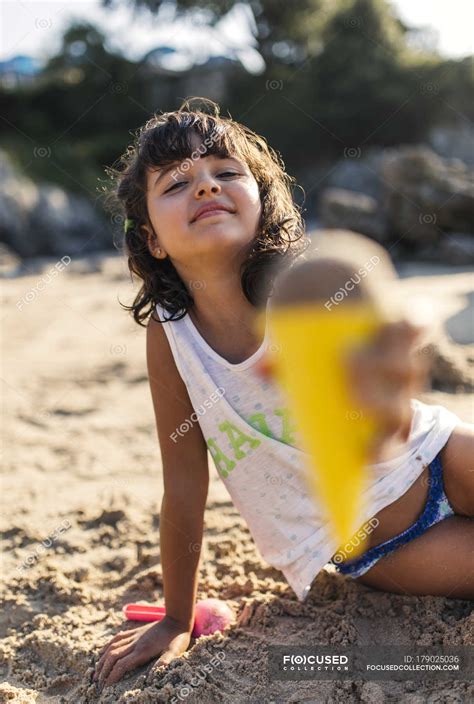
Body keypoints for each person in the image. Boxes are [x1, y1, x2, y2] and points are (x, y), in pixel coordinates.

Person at [93, 98, 473, 689]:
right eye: (176, 183)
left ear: (262, 200)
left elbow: (376, 297)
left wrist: (402, 339)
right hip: (378, 543)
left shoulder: (300, 290)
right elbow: (185, 483)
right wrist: (173, 618)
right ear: (152, 238)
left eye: (225, 171)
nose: (205, 187)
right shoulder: (172, 339)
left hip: (440, 455)